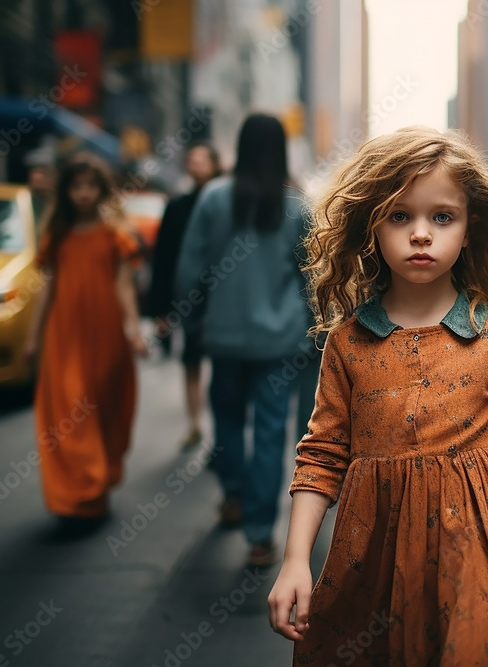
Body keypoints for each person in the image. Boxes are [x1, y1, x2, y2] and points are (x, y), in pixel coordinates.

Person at [267, 127, 488, 666]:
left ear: (471, 228)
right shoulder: (348, 342)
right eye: (399, 216)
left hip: (481, 548)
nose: (421, 234)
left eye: (442, 217)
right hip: (374, 557)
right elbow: (322, 453)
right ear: (371, 227)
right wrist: (294, 560)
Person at [175, 114, 312, 564]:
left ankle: (233, 492)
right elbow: (313, 276)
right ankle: (259, 534)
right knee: (272, 433)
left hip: (225, 336)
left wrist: (191, 320)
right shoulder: (295, 205)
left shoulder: (213, 199)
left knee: (227, 419)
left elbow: (189, 271)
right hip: (281, 341)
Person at [24, 152, 148, 536]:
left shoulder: (114, 235)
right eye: (76, 186)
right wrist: (33, 337)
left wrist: (133, 330)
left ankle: (94, 486)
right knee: (67, 411)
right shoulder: (56, 236)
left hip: (105, 333)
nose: (82, 193)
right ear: (66, 191)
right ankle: (75, 495)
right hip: (64, 334)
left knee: (102, 409)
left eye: (90, 186)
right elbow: (47, 288)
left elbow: (123, 286)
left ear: (101, 190)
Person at [148, 142, 224, 449]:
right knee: (191, 361)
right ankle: (195, 424)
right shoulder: (177, 206)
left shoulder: (225, 204)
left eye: (202, 158)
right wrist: (161, 308)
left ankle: (218, 434)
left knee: (220, 368)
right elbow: (163, 258)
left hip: (221, 300)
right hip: (189, 299)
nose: (196, 164)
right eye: (192, 159)